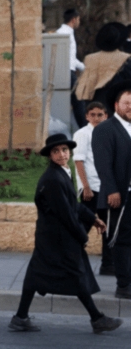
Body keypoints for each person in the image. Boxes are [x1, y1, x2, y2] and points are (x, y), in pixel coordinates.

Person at [9, 134, 122, 334]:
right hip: (56, 238)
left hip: (53, 236)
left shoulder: (62, 172)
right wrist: (82, 236)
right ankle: (97, 319)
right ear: (50, 155)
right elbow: (66, 213)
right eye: (56, 151)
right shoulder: (52, 179)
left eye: (64, 150)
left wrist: (91, 218)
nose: (61, 154)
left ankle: (20, 317)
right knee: (75, 273)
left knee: (36, 275)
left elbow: (72, 203)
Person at [92, 85, 131, 298]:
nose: (130, 107)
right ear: (117, 106)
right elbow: (103, 163)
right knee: (120, 239)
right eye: (127, 104)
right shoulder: (105, 129)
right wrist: (112, 190)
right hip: (119, 196)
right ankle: (124, 285)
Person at [73, 101, 113, 275]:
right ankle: (71, 262)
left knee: (108, 228)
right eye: (93, 115)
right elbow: (79, 160)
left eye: (100, 115)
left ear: (106, 116)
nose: (96, 118)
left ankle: (108, 265)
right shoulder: (83, 134)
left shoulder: (109, 132)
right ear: (87, 116)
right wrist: (85, 187)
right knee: (83, 227)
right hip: (91, 189)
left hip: (106, 187)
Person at [75, 22, 131, 113]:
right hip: (118, 107)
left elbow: (85, 85)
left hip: (95, 107)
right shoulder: (125, 59)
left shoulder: (90, 59)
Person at [57, 10, 87, 128]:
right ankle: (84, 128)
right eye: (78, 19)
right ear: (74, 19)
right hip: (67, 72)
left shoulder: (64, 32)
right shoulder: (65, 33)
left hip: (65, 71)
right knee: (79, 102)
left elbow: (71, 57)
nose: (79, 22)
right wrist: (84, 68)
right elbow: (69, 59)